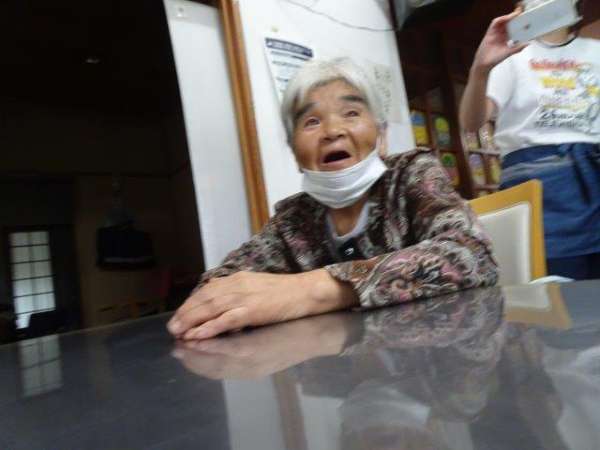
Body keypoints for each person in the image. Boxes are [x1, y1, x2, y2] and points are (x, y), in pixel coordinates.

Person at [168, 57, 498, 341]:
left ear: (381, 137)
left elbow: (471, 254)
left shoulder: (411, 174)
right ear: (295, 154)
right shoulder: (293, 220)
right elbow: (219, 288)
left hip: (436, 365)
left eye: (351, 113)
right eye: (311, 121)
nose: (332, 131)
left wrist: (311, 291)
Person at [459, 3, 600, 280]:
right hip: (539, 182)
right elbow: (471, 122)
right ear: (520, 7)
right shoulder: (511, 55)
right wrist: (480, 69)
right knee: (557, 282)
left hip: (594, 171)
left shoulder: (596, 51)